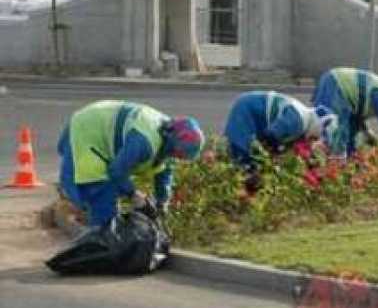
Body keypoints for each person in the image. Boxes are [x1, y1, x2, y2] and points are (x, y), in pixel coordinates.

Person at [58, 100, 204, 227]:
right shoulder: (144, 142)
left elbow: (164, 172)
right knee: (101, 196)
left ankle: (85, 217)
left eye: (181, 157)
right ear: (172, 142)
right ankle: (95, 243)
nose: (176, 158)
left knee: (106, 200)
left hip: (100, 121)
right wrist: (133, 194)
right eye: (178, 154)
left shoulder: (171, 138)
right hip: (88, 129)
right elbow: (116, 171)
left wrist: (162, 202)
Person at [224, 91, 338, 191]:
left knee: (253, 165)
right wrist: (272, 156)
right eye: (318, 137)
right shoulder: (298, 120)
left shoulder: (304, 124)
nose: (315, 141)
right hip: (247, 110)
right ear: (318, 126)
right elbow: (271, 135)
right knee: (242, 158)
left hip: (256, 115)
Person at [311, 67, 378, 157]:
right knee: (335, 130)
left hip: (334, 82)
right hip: (336, 85)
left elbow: (358, 120)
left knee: (348, 131)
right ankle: (329, 161)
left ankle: (345, 159)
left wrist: (369, 134)